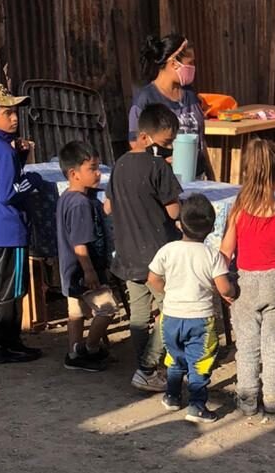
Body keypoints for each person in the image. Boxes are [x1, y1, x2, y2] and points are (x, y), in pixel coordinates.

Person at [219, 138, 275, 416]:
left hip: (247, 281)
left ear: (246, 172)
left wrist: (223, 284)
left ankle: (247, 400)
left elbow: (226, 250)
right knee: (274, 342)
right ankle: (274, 398)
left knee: (247, 345)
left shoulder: (238, 209)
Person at [106, 103, 183, 392]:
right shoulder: (158, 167)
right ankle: (149, 367)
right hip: (157, 256)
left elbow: (110, 206)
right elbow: (174, 212)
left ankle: (143, 368)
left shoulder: (119, 165)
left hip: (127, 254)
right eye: (166, 143)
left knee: (138, 315)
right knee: (171, 310)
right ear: (147, 137)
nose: (168, 148)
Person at [147, 194, 234, 423]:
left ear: (179, 224)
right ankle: (196, 406)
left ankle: (172, 397)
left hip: (171, 316)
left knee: (175, 359)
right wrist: (232, 292)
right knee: (200, 362)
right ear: (212, 227)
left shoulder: (168, 250)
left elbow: (153, 278)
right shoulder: (212, 255)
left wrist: (168, 292)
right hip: (201, 319)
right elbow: (224, 287)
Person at [0, 84, 42, 364]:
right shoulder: (3, 150)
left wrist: (19, 157)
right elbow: (9, 192)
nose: (14, 118)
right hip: (10, 229)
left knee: (1, 288)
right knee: (14, 291)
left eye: (15, 112)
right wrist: (34, 180)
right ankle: (9, 344)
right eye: (7, 113)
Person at [56, 141, 117, 372]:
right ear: (74, 173)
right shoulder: (80, 204)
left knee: (76, 312)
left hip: (69, 270)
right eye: (92, 168)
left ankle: (74, 352)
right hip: (84, 269)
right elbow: (80, 243)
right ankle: (91, 348)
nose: (98, 173)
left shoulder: (69, 197)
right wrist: (90, 270)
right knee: (108, 308)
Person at [129, 34, 212, 178]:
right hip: (164, 178)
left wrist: (210, 174)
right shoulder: (146, 99)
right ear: (173, 63)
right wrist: (161, 163)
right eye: (190, 63)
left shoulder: (190, 94)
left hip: (197, 175)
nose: (193, 68)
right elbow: (135, 143)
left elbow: (201, 140)